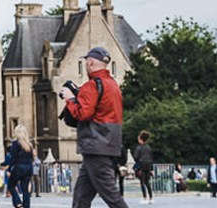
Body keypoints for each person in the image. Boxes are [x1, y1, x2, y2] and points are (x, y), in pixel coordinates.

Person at [61, 45, 131, 208]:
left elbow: (82, 114)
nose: (86, 65)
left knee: (111, 196)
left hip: (95, 146)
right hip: (109, 144)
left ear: (91, 63)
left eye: (86, 62)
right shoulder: (113, 85)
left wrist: (71, 99)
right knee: (81, 197)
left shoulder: (92, 86)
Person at [3, 125, 35, 208]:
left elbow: (13, 158)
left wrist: (9, 170)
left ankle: (18, 202)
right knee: (25, 189)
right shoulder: (29, 145)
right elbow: (32, 158)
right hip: (29, 168)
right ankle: (26, 206)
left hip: (19, 168)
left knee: (11, 185)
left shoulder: (15, 144)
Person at [132, 132, 154, 204]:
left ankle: (145, 198)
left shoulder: (139, 148)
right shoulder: (149, 147)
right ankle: (151, 198)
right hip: (148, 166)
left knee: (142, 182)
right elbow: (151, 157)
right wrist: (151, 168)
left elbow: (136, 157)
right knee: (147, 182)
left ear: (141, 139)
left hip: (141, 166)